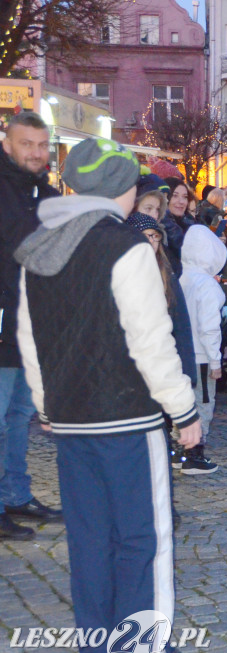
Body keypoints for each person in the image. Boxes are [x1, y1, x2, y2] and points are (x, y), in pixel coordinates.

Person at [14, 138, 209, 653]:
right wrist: (184, 411)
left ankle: (98, 652)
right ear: (122, 188)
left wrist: (46, 403)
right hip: (128, 416)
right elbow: (151, 340)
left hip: (71, 418)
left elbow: (32, 339)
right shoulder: (125, 248)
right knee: (144, 538)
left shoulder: (41, 249)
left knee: (90, 538)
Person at [0, 111, 63, 542]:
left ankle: (15, 495)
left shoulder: (42, 190)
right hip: (3, 320)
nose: (36, 153)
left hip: (31, 320)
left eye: (42, 145)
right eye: (27, 144)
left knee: (19, 414)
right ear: (8, 144)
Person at [179, 225, 226, 475]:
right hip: (201, 357)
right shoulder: (207, 285)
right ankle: (194, 455)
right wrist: (216, 361)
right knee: (202, 404)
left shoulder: (179, 277)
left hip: (180, 355)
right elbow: (210, 327)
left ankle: (180, 450)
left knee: (182, 404)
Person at [162, 177, 196, 271]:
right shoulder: (163, 225)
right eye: (175, 195)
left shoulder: (188, 222)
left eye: (185, 197)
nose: (181, 202)